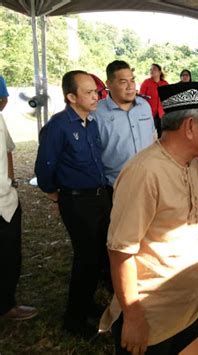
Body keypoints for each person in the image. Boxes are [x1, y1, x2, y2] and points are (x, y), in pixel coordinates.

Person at [99, 82, 198, 355]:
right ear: (190, 127)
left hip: (187, 308)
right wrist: (133, 317)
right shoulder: (144, 173)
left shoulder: (193, 163)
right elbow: (120, 251)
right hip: (151, 319)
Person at [35, 70, 110, 337]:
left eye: (96, 91)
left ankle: (87, 304)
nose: (96, 96)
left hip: (99, 197)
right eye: (89, 92)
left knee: (98, 255)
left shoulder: (89, 122)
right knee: (86, 258)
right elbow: (44, 167)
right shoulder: (58, 126)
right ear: (71, 97)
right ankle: (74, 319)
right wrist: (55, 194)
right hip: (77, 201)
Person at [91, 60, 155, 191]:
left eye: (132, 80)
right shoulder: (97, 113)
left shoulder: (144, 106)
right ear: (109, 84)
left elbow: (153, 138)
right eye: (123, 82)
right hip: (116, 187)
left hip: (149, 183)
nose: (130, 86)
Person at [0, 113, 37, 321]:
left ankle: (6, 306)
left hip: (5, 201)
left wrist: (11, 182)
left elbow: (7, 150)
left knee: (9, 255)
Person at [139, 63, 169, 136]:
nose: (152, 71)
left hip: (162, 114)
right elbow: (141, 98)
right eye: (151, 69)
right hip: (149, 113)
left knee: (162, 134)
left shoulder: (165, 84)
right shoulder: (146, 82)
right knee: (150, 134)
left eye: (154, 69)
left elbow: (168, 98)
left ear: (159, 72)